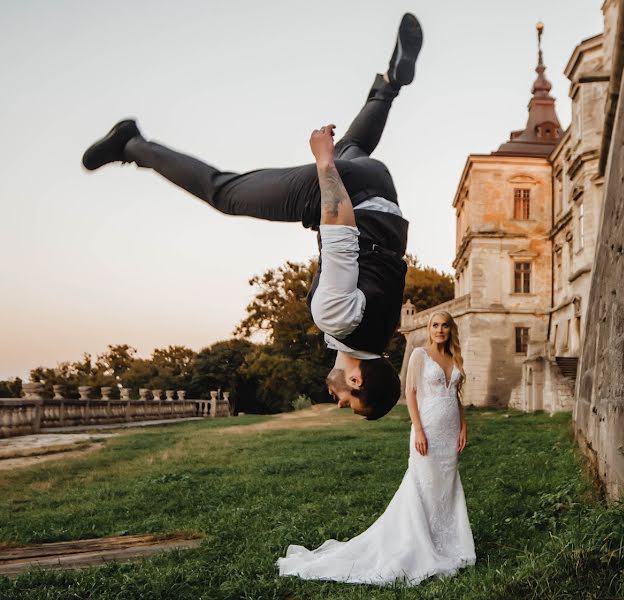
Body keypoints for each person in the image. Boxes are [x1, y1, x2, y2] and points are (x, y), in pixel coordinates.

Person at [81, 14, 423, 420]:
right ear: (357, 380)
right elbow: (340, 233)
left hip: (381, 190)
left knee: (353, 145)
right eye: (349, 404)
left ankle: (389, 84)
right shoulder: (339, 320)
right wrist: (324, 164)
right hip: (344, 195)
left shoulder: (378, 333)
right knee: (225, 193)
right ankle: (132, 143)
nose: (339, 402)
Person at [277, 311, 475, 585]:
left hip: (450, 430)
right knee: (423, 485)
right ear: (429, 330)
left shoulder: (454, 358)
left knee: (446, 487)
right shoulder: (419, 355)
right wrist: (418, 429)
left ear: (450, 330)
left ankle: (447, 541)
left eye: (445, 326)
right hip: (427, 429)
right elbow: (411, 393)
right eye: (435, 325)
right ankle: (418, 542)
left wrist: (463, 426)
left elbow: (456, 395)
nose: (440, 330)